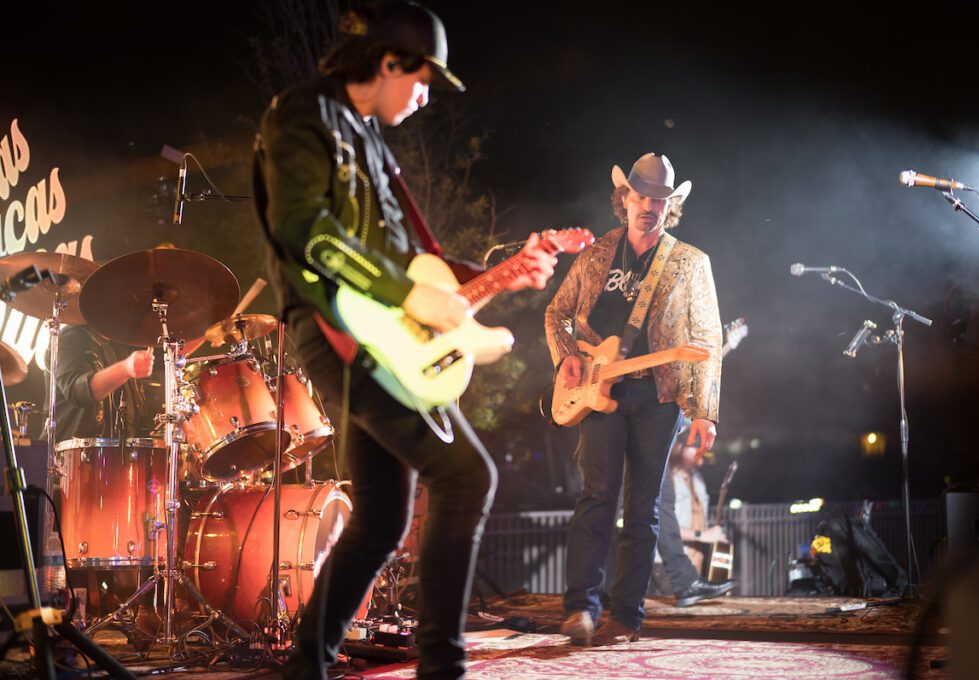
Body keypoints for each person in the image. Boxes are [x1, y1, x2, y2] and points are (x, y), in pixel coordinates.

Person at [252, 3, 556, 678]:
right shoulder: (301, 114)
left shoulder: (371, 142)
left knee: (382, 520)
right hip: (338, 335)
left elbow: (410, 261)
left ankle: (306, 667)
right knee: (466, 477)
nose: (425, 98)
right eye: (422, 81)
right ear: (389, 62)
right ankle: (442, 667)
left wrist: (502, 274)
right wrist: (407, 295)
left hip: (383, 340)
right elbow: (305, 230)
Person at [545, 152, 722, 645]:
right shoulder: (596, 254)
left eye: (659, 200)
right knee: (596, 497)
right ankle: (581, 609)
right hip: (600, 388)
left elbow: (708, 339)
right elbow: (557, 313)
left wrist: (705, 411)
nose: (649, 207)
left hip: (659, 396)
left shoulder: (690, 262)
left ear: (670, 206)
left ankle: (624, 617)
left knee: (642, 509)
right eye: (641, 197)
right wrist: (566, 357)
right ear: (624, 199)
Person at [655, 430, 735, 606]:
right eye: (694, 449)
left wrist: (714, 534)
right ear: (679, 449)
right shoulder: (667, 479)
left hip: (695, 559)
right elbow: (663, 523)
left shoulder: (698, 479)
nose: (699, 454)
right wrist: (703, 535)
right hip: (665, 564)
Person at [49, 325, 154, 442]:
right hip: (72, 450)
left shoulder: (120, 345)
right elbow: (77, 391)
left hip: (119, 451)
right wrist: (125, 368)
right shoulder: (68, 337)